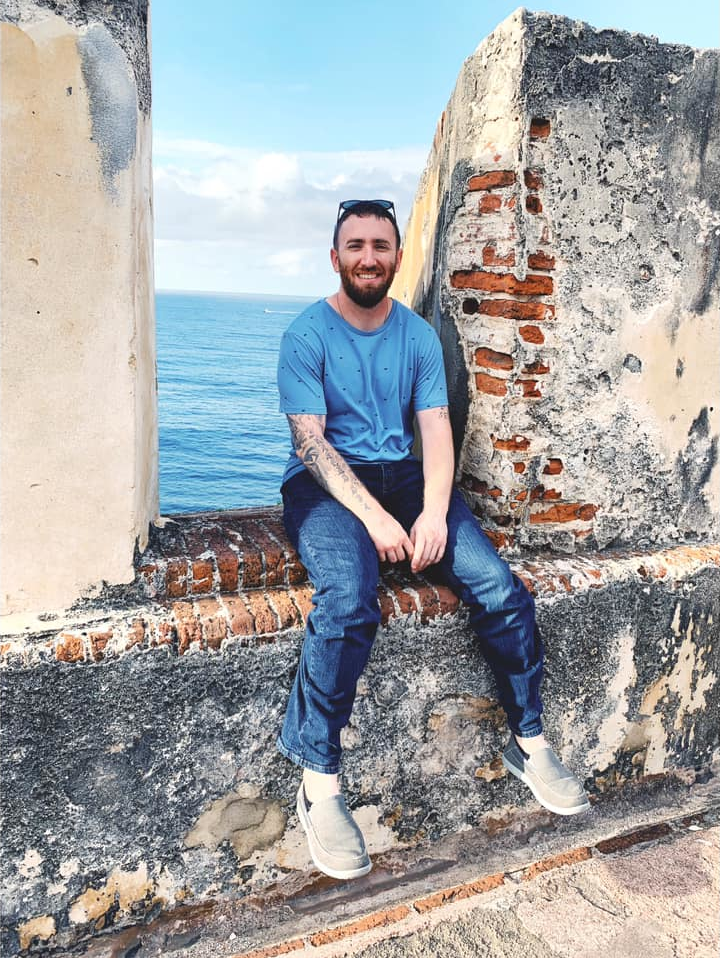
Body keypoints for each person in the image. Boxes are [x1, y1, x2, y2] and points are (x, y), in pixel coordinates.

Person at [276, 199, 589, 881]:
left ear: (396, 256)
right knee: (350, 600)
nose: (368, 257)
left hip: (409, 479)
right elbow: (310, 444)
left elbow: (438, 432)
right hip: (329, 488)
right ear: (336, 258)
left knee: (501, 590)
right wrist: (377, 520)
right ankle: (319, 786)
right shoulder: (306, 334)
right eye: (355, 245)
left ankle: (529, 742)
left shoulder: (417, 336)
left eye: (381, 245)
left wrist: (434, 512)